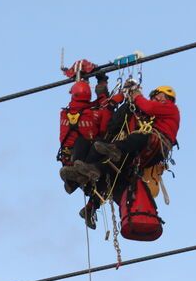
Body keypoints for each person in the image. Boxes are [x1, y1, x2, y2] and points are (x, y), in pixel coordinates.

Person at [68, 83, 180, 228]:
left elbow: (148, 107)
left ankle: (114, 150)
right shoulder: (155, 115)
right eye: (154, 96)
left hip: (157, 144)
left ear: (165, 96)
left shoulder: (169, 107)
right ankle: (88, 192)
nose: (155, 98)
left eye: (158, 96)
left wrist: (136, 95)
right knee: (114, 168)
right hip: (146, 149)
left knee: (138, 137)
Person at [57, 73, 111, 194]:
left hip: (66, 156)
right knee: (99, 141)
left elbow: (80, 106)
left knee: (82, 142)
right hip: (86, 157)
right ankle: (79, 176)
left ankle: (75, 180)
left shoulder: (64, 114)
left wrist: (83, 81)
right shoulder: (95, 114)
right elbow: (104, 127)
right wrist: (102, 89)